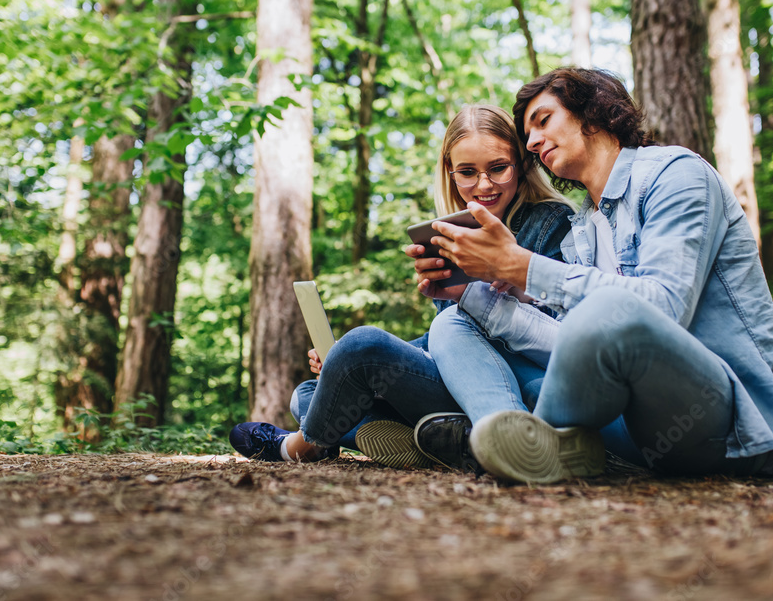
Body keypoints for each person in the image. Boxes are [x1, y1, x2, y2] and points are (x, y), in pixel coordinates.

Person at [420, 68, 773, 483]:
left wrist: (523, 267)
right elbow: (571, 344)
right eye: (529, 134)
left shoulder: (676, 174)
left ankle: (538, 438)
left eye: (543, 121)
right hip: (639, 434)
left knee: (607, 308)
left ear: (592, 114)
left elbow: (663, 307)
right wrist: (474, 292)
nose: (534, 141)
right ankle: (529, 443)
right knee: (455, 324)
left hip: (722, 428)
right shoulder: (586, 229)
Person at [228, 104, 575, 469]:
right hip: (451, 382)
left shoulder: (549, 222)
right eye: (468, 173)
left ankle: (300, 447)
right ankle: (443, 439)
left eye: (498, 168)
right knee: (309, 393)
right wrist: (345, 362)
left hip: (513, 388)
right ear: (450, 172)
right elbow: (445, 342)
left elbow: (558, 332)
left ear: (521, 164)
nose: (484, 185)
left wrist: (360, 359)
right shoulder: (451, 235)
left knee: (359, 351)